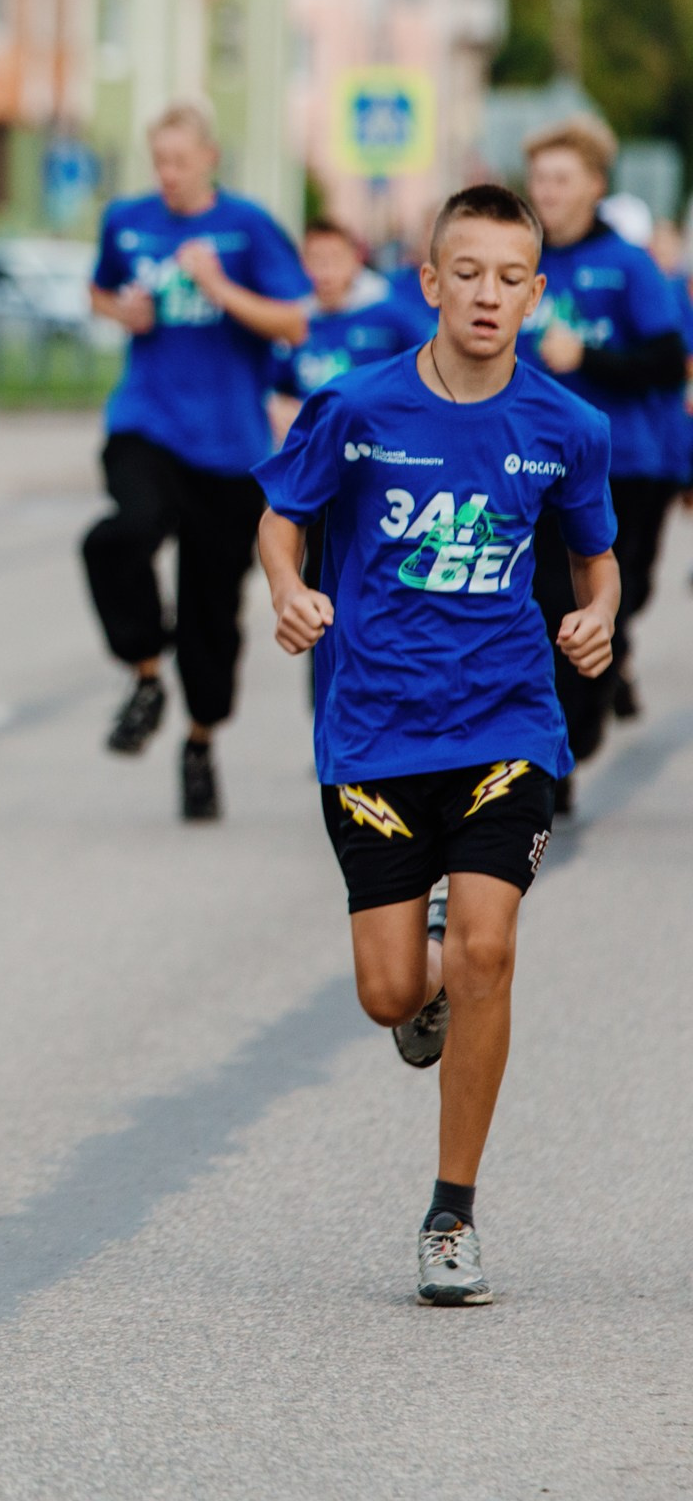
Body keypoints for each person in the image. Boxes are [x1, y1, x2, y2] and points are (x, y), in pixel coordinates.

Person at [254, 183, 618, 1306]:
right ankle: (422, 985)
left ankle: (451, 1213)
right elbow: (281, 520)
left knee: (489, 951)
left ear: (535, 294)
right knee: (386, 992)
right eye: (469, 273)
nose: (489, 296)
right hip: (370, 731)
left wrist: (598, 613)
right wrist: (288, 591)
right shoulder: (356, 410)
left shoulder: (568, 428)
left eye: (512, 278)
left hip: (507, 723)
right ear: (430, 280)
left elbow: (594, 556)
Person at [83, 101, 310, 819]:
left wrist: (219, 289)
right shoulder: (128, 219)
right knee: (120, 535)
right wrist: (124, 312)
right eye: (159, 161)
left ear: (210, 158)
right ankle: (147, 673)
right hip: (146, 421)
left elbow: (297, 320)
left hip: (231, 446)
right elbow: (99, 289)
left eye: (180, 161)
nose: (168, 175)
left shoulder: (248, 228)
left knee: (212, 612)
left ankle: (199, 742)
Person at [519, 116, 687, 794]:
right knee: (551, 601)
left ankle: (591, 696)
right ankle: (557, 743)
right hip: (536, 467)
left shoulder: (627, 265)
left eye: (561, 179)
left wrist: (586, 355)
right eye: (538, 179)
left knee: (626, 592)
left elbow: (668, 360)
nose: (547, 192)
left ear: (594, 185)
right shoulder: (519, 261)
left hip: (626, 462)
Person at [269, 220, 431, 433]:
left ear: (355, 260)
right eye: (316, 260)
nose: (326, 271)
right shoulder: (294, 318)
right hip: (315, 445)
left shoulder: (388, 313)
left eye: (335, 259)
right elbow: (277, 385)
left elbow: (429, 363)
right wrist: (277, 406)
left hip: (373, 440)